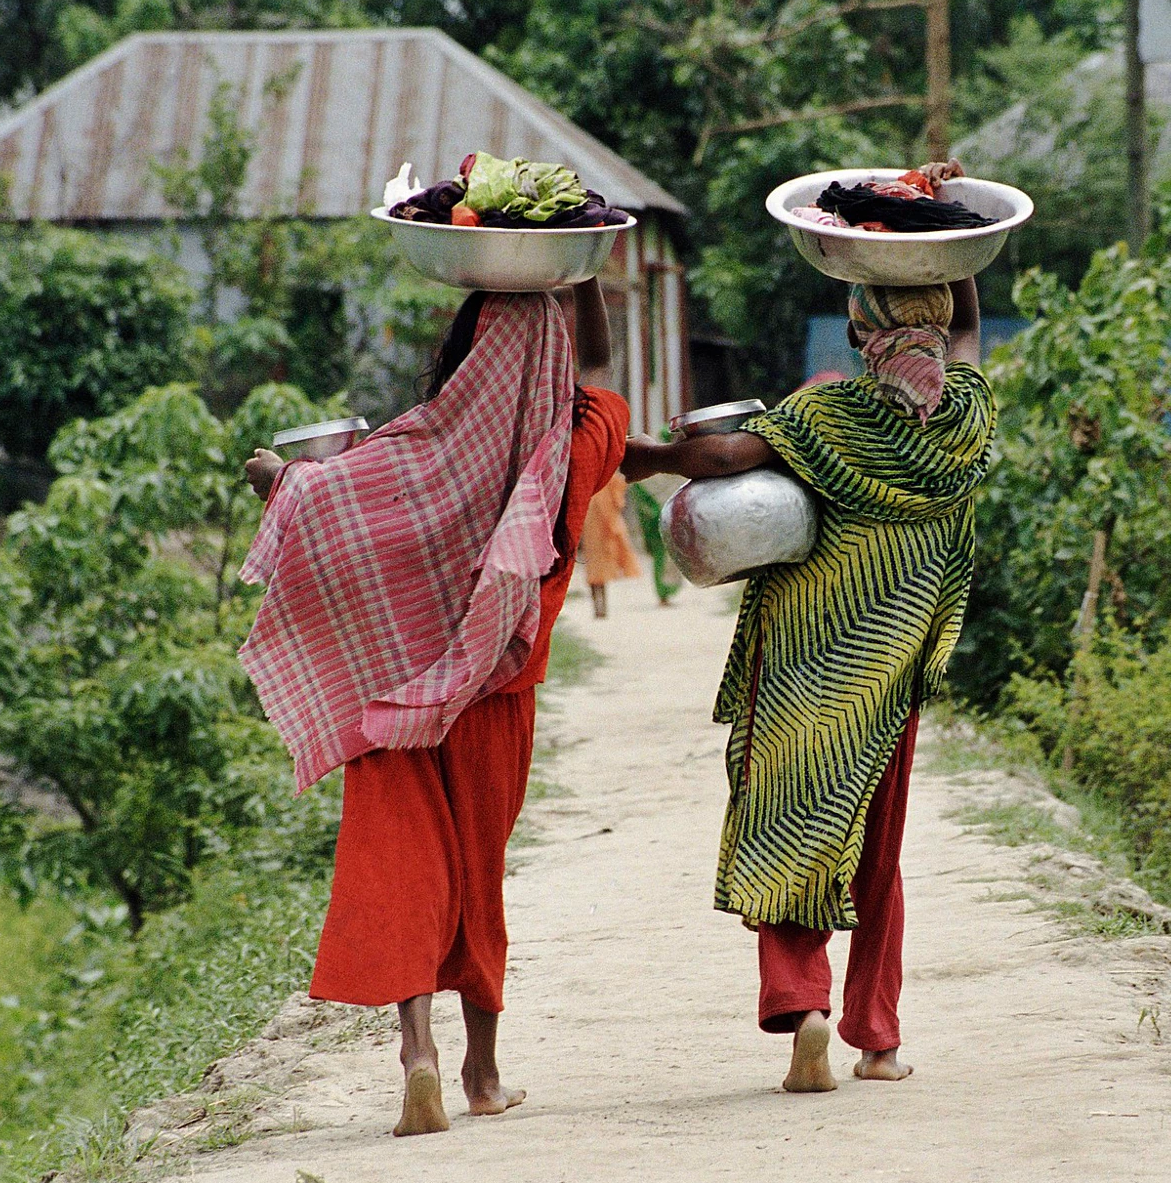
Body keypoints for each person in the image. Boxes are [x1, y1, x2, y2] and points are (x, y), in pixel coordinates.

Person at [622, 183, 993, 1092]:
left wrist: (653, 456)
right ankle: (882, 1040)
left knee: (790, 818)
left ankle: (807, 1010)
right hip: (897, 667)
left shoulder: (831, 415)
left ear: (863, 330)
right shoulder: (971, 415)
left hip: (802, 663)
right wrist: (947, 250)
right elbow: (967, 335)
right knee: (876, 847)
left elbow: (722, 458)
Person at [239, 279, 625, 1135]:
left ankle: (418, 1057)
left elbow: (316, 501)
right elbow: (600, 364)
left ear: (460, 351)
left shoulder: (405, 452)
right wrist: (581, 269)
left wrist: (275, 474)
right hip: (496, 704)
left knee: (403, 866)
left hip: (393, 693)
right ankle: (482, 1074)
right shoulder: (575, 444)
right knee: (477, 878)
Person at [579, 471, 642, 617]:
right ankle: (600, 607)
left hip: (597, 528)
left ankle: (599, 607)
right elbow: (619, 499)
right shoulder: (606, 479)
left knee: (595, 571)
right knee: (596, 571)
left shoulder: (599, 479)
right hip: (598, 528)